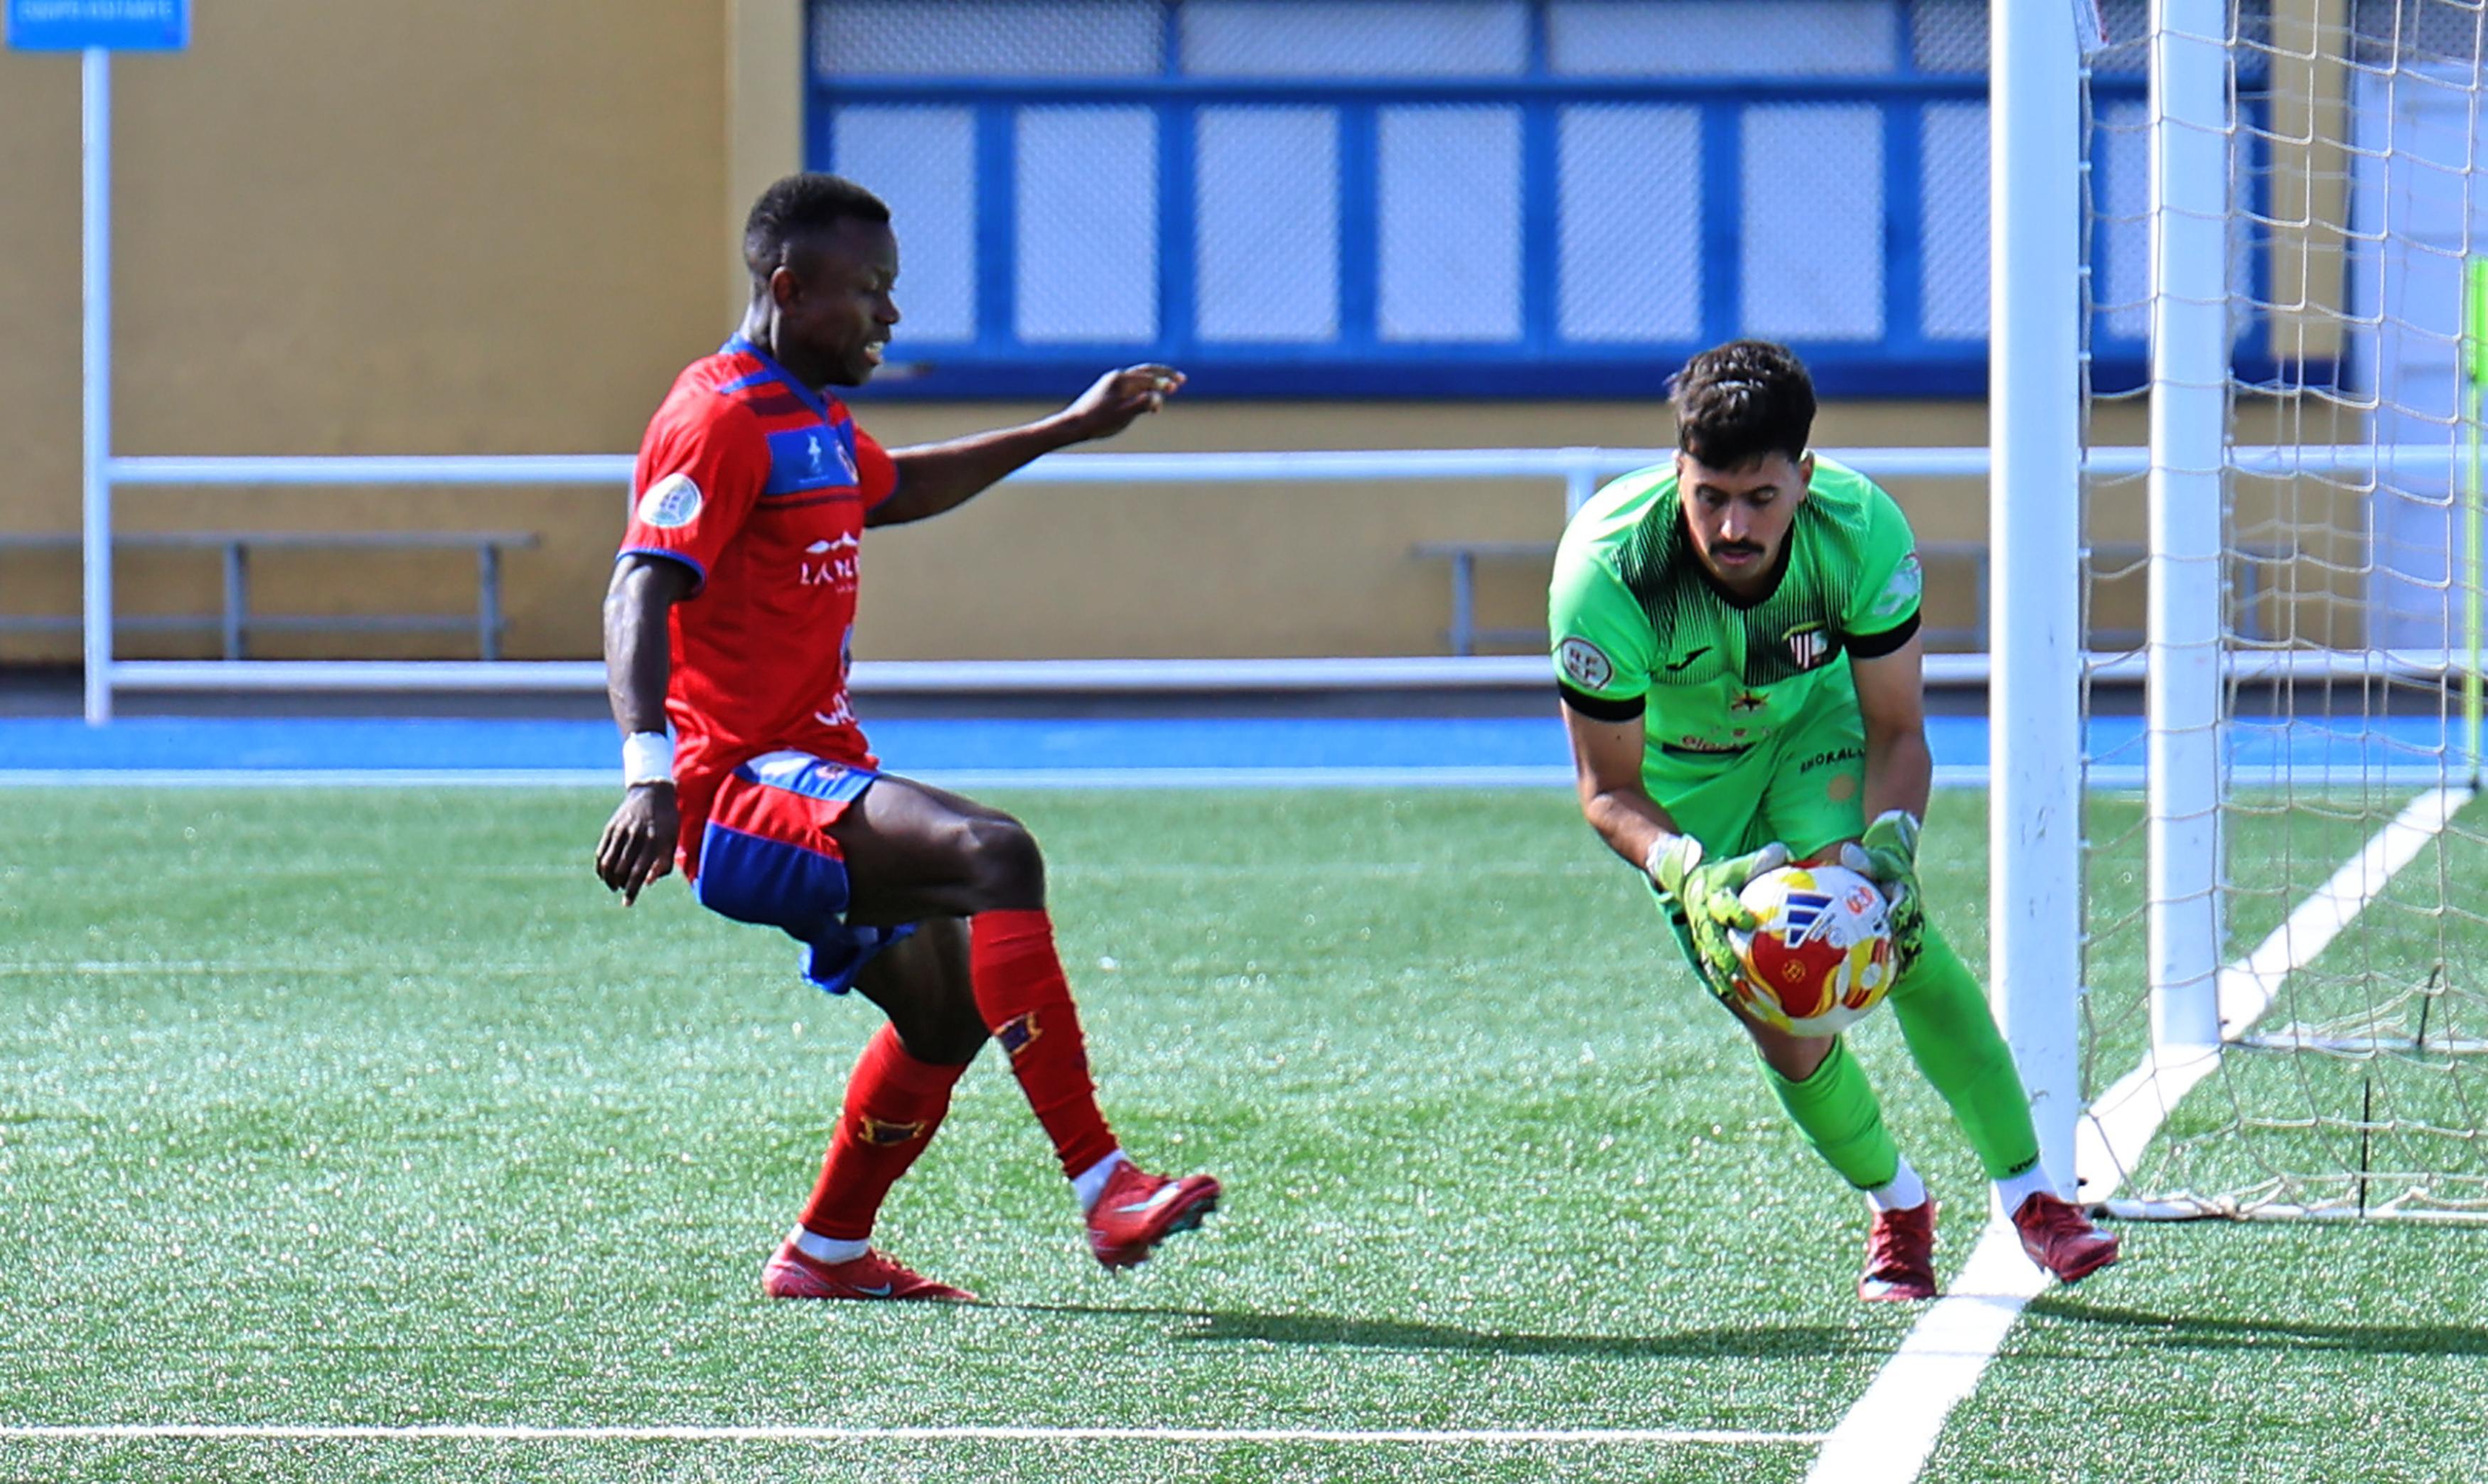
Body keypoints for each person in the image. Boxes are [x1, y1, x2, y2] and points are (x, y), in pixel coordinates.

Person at [593, 172, 1219, 1303]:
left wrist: (1069, 428)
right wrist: (648, 776)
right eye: (869, 290)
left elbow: (898, 487)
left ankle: (825, 1253)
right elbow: (640, 585)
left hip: (817, 773)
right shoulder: (719, 418)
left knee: (944, 1014)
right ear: (790, 289)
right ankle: (1105, 1184)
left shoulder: (811, 416)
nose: (890, 313)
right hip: (739, 792)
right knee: (994, 854)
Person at [1546, 338, 2118, 1301]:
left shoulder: (1861, 534)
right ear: (1677, 472)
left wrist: (1892, 849)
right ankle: (1900, 1204)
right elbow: (1609, 790)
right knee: (1784, 1010)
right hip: (1686, 789)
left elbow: (1898, 732)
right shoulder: (1606, 574)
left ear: (1805, 480)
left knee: (1885, 928)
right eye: (1709, 496)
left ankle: (2034, 1198)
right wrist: (1686, 870)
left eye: (1761, 498)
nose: (1733, 525)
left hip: (1816, 732)